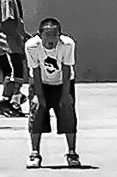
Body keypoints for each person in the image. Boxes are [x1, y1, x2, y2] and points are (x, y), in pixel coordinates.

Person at [24, 17, 80, 168]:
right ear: (40, 35)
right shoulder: (32, 46)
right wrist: (39, 95)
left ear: (59, 35)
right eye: (47, 35)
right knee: (36, 113)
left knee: (67, 113)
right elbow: (35, 70)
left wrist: (65, 94)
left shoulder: (67, 44)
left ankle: (72, 153)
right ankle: (35, 153)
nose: (51, 39)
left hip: (62, 83)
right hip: (40, 82)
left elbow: (67, 68)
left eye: (55, 35)